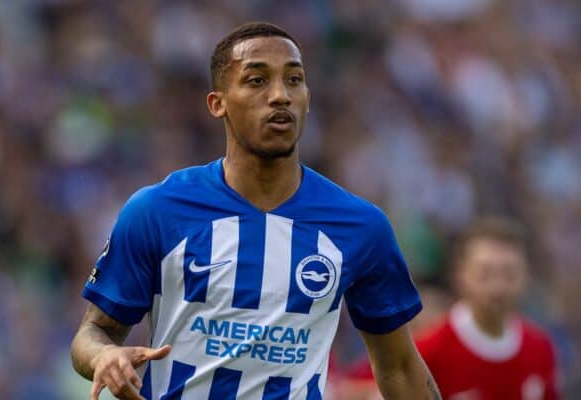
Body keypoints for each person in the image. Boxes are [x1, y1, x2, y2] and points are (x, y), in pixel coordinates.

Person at [70, 22, 440, 400]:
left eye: (294, 80)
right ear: (218, 104)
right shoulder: (157, 211)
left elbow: (399, 367)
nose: (280, 95)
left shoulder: (361, 227)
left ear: (307, 98)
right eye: (257, 80)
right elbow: (93, 333)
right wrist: (103, 355)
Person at [342, 217, 560, 400]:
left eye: (509, 274)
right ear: (460, 274)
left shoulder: (540, 347)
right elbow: (350, 389)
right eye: (485, 274)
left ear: (526, 276)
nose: (498, 287)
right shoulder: (429, 347)